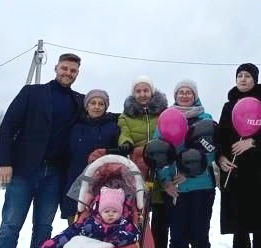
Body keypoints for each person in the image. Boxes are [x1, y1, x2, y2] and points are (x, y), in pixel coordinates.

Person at [0, 53, 85, 248]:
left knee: (44, 228)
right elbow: (9, 125)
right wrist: (4, 162)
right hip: (23, 170)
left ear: (77, 73)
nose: (68, 73)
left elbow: (99, 117)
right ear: (56, 68)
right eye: (64, 68)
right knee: (10, 225)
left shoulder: (80, 101)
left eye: (73, 71)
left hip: (55, 174)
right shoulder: (32, 92)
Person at [217, 63, 261, 248]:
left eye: (247, 76)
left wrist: (253, 141)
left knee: (260, 230)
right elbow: (220, 136)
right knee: (239, 229)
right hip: (234, 173)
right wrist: (220, 157)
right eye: (240, 75)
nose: (243, 79)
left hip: (259, 174)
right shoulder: (229, 106)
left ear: (255, 79)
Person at [158, 80, 217, 248]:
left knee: (200, 237)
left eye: (188, 92)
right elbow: (158, 151)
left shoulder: (206, 119)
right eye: (181, 92)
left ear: (195, 95)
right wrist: (166, 182)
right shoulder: (166, 118)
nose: (184, 95)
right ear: (175, 95)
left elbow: (212, 151)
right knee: (177, 239)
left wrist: (188, 172)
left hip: (202, 187)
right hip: (176, 190)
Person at [117, 76, 169, 248]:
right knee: (139, 213)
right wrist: (126, 143)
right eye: (138, 91)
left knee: (161, 215)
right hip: (138, 168)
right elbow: (124, 133)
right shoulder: (127, 115)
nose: (142, 94)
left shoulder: (163, 113)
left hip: (161, 168)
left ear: (152, 92)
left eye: (146, 90)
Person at [61, 89, 121, 221]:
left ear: (106, 107)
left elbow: (119, 155)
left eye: (101, 104)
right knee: (75, 226)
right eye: (93, 103)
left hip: (103, 186)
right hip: (75, 185)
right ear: (86, 106)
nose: (97, 107)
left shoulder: (113, 127)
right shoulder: (75, 127)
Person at [42, 186, 140, 248]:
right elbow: (71, 232)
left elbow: (133, 235)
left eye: (115, 211)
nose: (111, 214)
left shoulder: (124, 224)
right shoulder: (91, 222)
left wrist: (115, 239)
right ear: (100, 211)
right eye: (107, 211)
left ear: (121, 211)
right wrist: (52, 244)